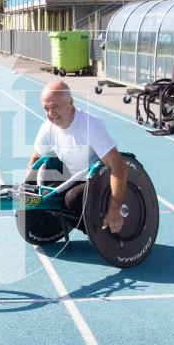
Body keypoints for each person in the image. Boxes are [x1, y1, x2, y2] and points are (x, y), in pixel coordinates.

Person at [26, 80, 128, 234]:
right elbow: (34, 159)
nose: (51, 114)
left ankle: (105, 231)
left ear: (70, 103)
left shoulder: (89, 125)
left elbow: (119, 166)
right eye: (46, 108)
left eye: (55, 107)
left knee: (71, 199)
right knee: (38, 190)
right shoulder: (48, 127)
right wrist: (27, 190)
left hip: (100, 178)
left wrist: (115, 208)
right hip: (74, 177)